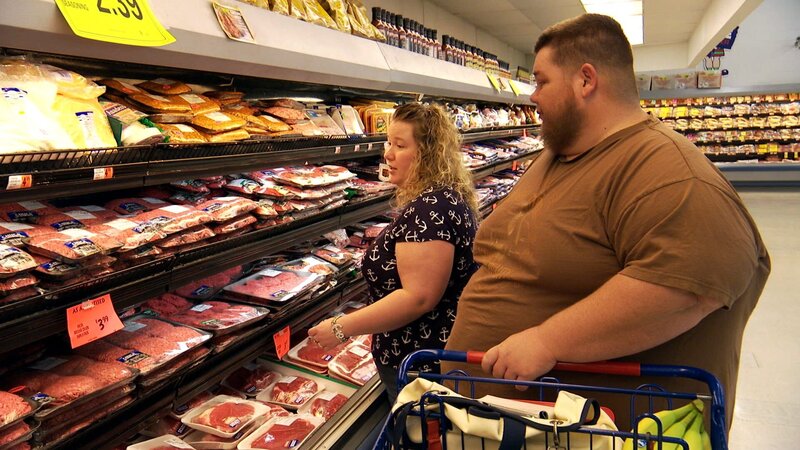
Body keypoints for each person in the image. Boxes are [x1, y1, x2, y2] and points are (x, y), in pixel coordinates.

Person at [443, 13, 770, 431]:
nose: (532, 96)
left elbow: (689, 286)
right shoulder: (563, 153)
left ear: (586, 80)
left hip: (591, 431)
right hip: (506, 421)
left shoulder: (671, 171)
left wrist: (547, 341)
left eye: (541, 81)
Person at [309, 102, 479, 402]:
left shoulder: (430, 208)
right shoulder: (444, 197)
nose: (388, 154)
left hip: (420, 367)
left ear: (428, 153)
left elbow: (418, 297)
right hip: (431, 357)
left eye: (400, 145)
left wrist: (339, 327)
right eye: (389, 143)